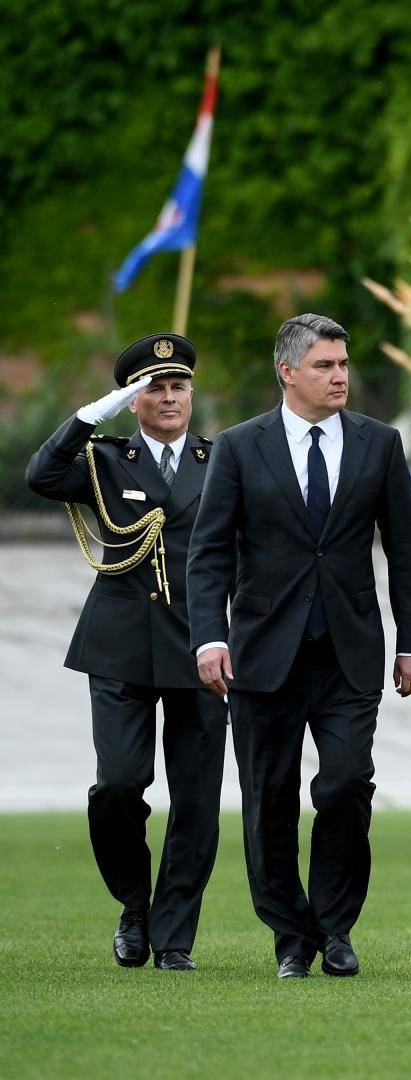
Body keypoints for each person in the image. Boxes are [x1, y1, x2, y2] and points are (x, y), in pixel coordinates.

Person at [187, 313, 411, 980]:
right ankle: (290, 934)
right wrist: (209, 636)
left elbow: (406, 551)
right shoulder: (239, 447)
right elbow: (207, 554)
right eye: (325, 365)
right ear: (287, 372)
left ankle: (336, 926)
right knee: (269, 798)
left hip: (349, 651)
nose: (340, 376)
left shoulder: (380, 444)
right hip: (262, 653)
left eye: (344, 365)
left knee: (348, 782)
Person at [26, 334, 226, 972]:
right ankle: (133, 906)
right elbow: (39, 476)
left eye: (178, 386)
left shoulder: (220, 460)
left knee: (195, 799)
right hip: (120, 645)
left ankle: (173, 937)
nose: (169, 397)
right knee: (118, 784)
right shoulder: (104, 459)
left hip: (202, 645)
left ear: (192, 394)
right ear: (133, 399)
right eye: (154, 388)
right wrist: (92, 414)